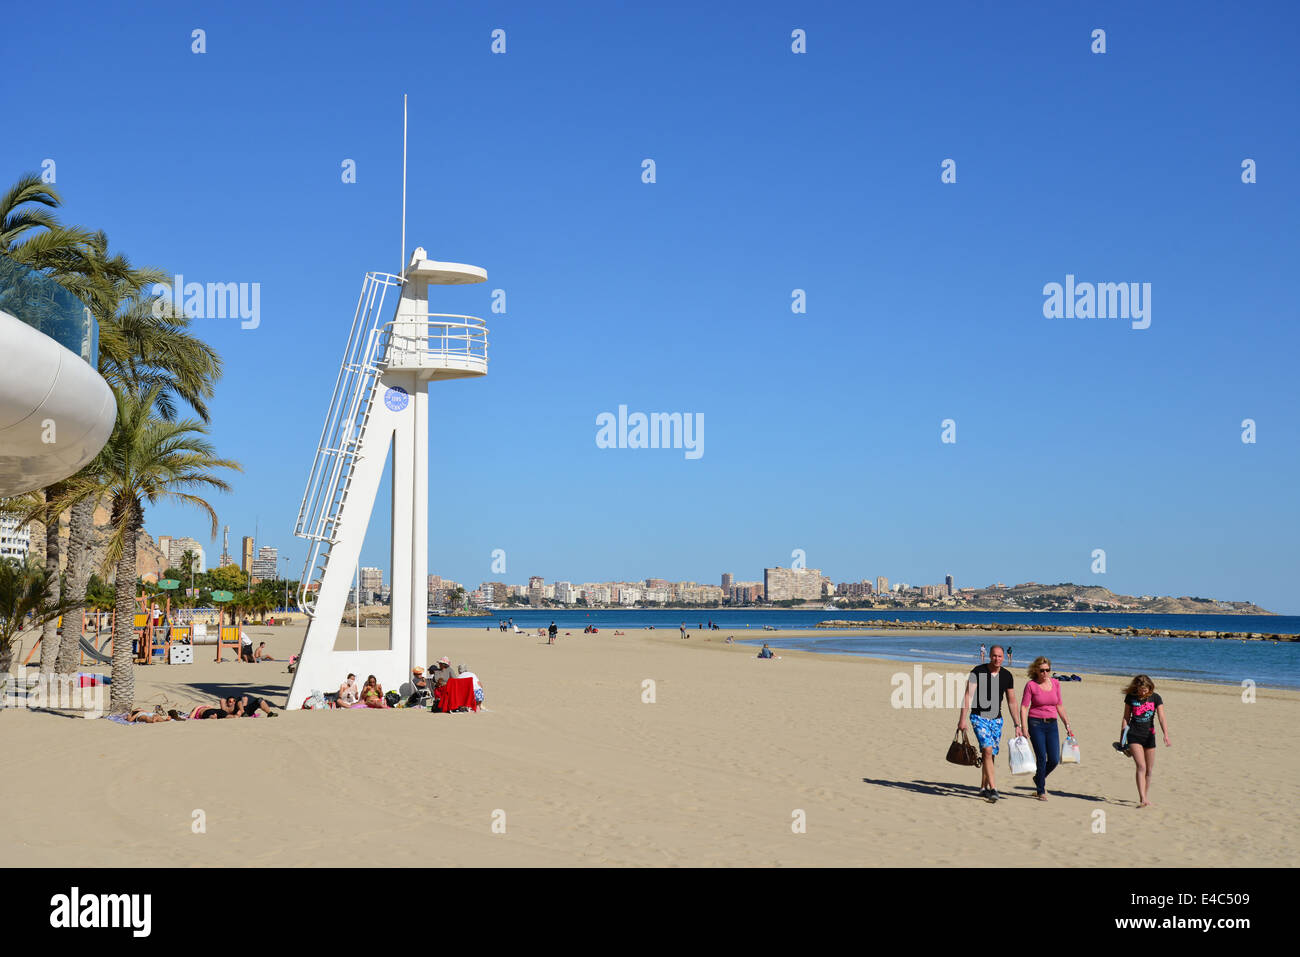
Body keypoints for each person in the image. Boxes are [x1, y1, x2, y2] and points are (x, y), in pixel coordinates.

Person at [958, 645, 1021, 803]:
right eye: (994, 656)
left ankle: (983, 787)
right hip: (978, 717)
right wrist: (962, 719)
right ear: (989, 656)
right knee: (986, 750)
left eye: (1000, 656)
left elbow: (1012, 701)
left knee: (990, 754)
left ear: (1004, 657)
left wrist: (1017, 724)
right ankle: (993, 788)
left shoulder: (1007, 676)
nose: (997, 659)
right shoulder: (977, 672)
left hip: (997, 719)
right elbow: (968, 696)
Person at [1019, 657, 1073, 801]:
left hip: (1052, 724)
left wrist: (1067, 724)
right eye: (1042, 670)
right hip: (1035, 723)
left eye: (1047, 670)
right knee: (1042, 757)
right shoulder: (1031, 685)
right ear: (1036, 670)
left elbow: (1059, 705)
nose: (1044, 673)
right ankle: (1040, 790)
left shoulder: (1055, 683)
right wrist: (1024, 727)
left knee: (1054, 759)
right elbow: (1024, 707)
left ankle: (1038, 777)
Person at [1121, 675, 1170, 808]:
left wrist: (1166, 734)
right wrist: (1122, 738)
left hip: (1149, 736)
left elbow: (1161, 717)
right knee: (1141, 766)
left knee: (1149, 770)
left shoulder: (1156, 697)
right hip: (1134, 735)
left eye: (1145, 689)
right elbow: (1126, 717)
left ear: (1150, 687)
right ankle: (1142, 798)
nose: (1143, 692)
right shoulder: (1131, 697)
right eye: (1141, 689)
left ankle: (1145, 796)